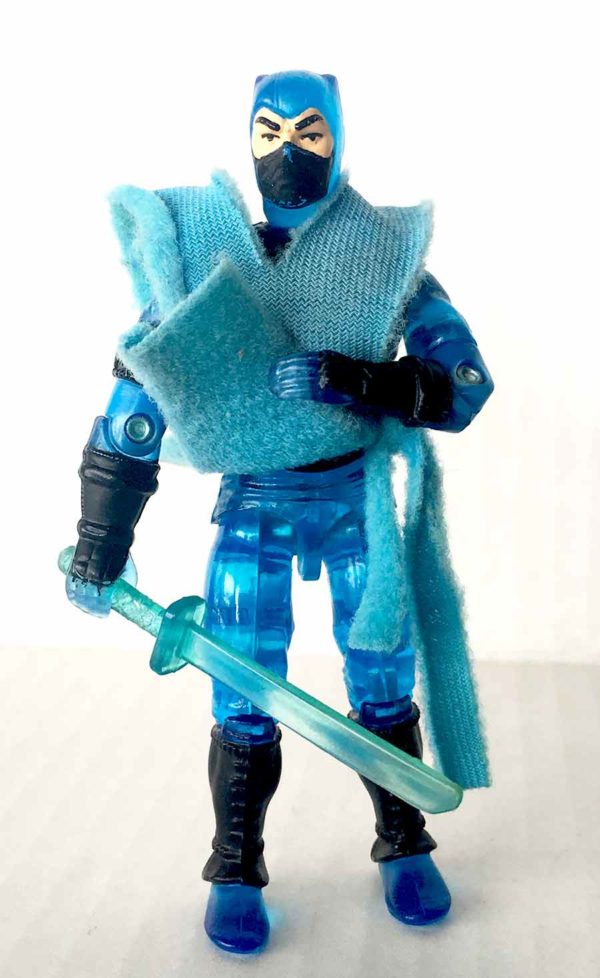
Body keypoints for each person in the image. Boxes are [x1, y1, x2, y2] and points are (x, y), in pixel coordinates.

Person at [66, 70, 494, 954]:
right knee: (242, 688)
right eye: (269, 131)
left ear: (338, 137)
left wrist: (366, 380)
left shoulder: (386, 259)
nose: (288, 149)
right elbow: (134, 411)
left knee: (382, 677)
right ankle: (235, 862)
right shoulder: (204, 258)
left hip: (351, 499)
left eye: (309, 130)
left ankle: (405, 840)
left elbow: (462, 384)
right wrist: (99, 542)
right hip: (254, 503)